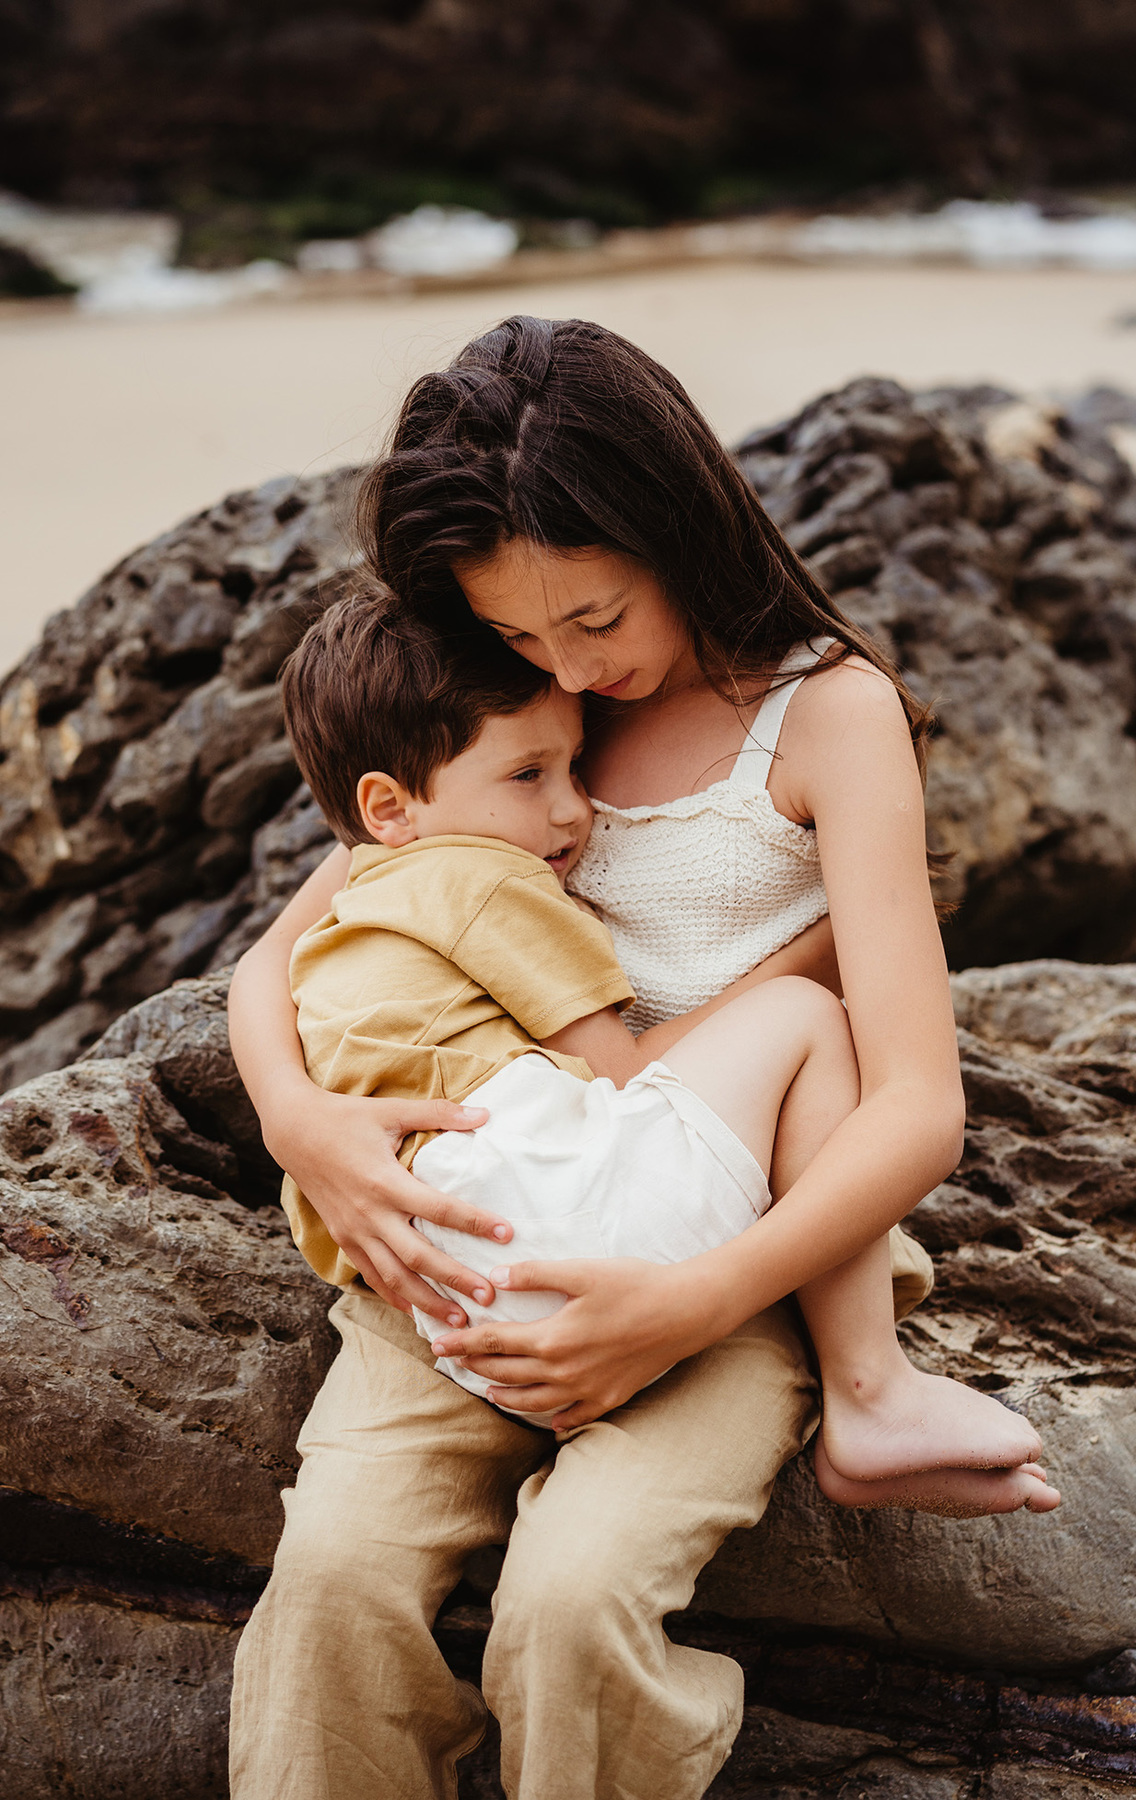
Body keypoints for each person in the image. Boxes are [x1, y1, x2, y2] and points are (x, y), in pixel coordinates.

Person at [228, 317, 1057, 1800]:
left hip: (725, 1260)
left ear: (676, 524)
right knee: (337, 1586)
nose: (566, 665)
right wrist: (300, 1121)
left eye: (595, 619)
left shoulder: (828, 718)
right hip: (471, 1232)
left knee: (571, 1606)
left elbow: (916, 1099)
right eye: (526, 634)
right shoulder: (506, 701)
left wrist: (684, 1303)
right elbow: (290, 944)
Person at [276, 588, 1052, 1476]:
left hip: (456, 1293)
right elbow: (622, 1073)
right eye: (533, 777)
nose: (573, 812)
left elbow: (273, 967)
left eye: (573, 770)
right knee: (806, 1022)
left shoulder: (378, 880)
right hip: (570, 1229)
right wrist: (831, 939)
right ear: (387, 804)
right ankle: (870, 1384)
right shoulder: (487, 874)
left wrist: (295, 1126)